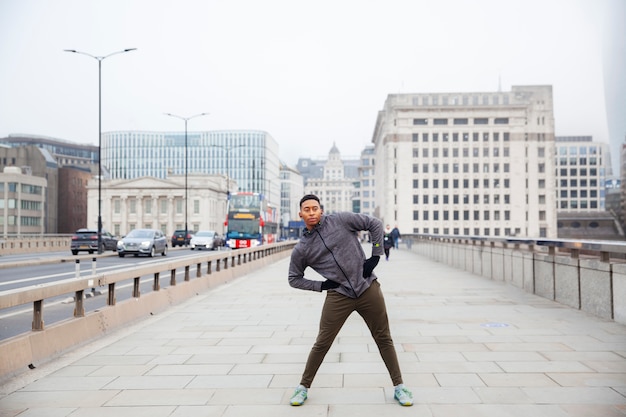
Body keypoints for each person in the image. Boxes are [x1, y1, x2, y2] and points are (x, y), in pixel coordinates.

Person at [287, 194, 413, 407]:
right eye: (306, 210)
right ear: (300, 214)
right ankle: (303, 387)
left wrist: (375, 255)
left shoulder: (341, 220)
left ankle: (400, 387)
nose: (311, 212)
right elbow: (293, 279)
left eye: (314, 208)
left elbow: (374, 223)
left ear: (321, 210)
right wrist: (321, 286)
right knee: (322, 343)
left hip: (367, 288)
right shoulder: (302, 249)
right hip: (339, 295)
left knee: (383, 338)